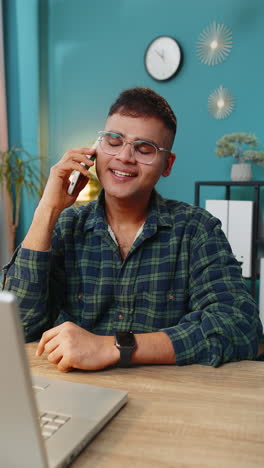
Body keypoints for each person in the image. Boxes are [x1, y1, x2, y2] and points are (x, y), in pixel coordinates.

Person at [2, 87, 263, 372]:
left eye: (144, 148)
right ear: (95, 150)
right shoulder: (66, 226)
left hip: (170, 401)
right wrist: (47, 209)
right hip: (76, 393)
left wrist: (114, 347)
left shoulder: (197, 230)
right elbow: (18, 327)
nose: (125, 157)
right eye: (113, 141)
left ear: (167, 165)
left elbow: (240, 326)